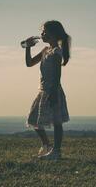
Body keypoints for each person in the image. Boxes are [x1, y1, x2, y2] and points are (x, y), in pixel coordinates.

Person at [23, 20, 71, 160]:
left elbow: (57, 74)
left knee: (57, 122)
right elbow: (29, 63)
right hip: (43, 91)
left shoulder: (56, 51)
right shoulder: (46, 50)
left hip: (52, 90)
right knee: (33, 119)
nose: (42, 34)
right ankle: (47, 146)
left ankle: (56, 151)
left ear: (53, 34)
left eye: (44, 31)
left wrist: (54, 93)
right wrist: (27, 47)